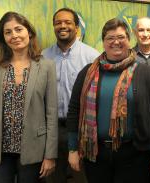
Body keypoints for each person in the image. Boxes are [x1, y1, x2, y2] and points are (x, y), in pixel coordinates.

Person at [66, 18, 150, 183]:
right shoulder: (87, 73)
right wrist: (72, 149)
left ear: (129, 40)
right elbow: (74, 111)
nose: (116, 42)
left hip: (134, 155)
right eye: (110, 38)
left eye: (121, 37)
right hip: (95, 154)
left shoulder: (145, 73)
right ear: (104, 42)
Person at [0, 11, 58, 183]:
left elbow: (51, 113)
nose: (14, 35)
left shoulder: (46, 66)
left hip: (34, 149)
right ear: (3, 37)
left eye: (18, 29)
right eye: (8, 32)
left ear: (28, 32)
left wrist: (50, 155)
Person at [42, 8, 99, 183]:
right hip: (52, 130)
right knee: (52, 177)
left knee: (82, 177)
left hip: (81, 129)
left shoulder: (92, 57)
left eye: (67, 22)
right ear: (53, 26)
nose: (62, 26)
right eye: (58, 22)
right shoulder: (43, 57)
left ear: (76, 27)